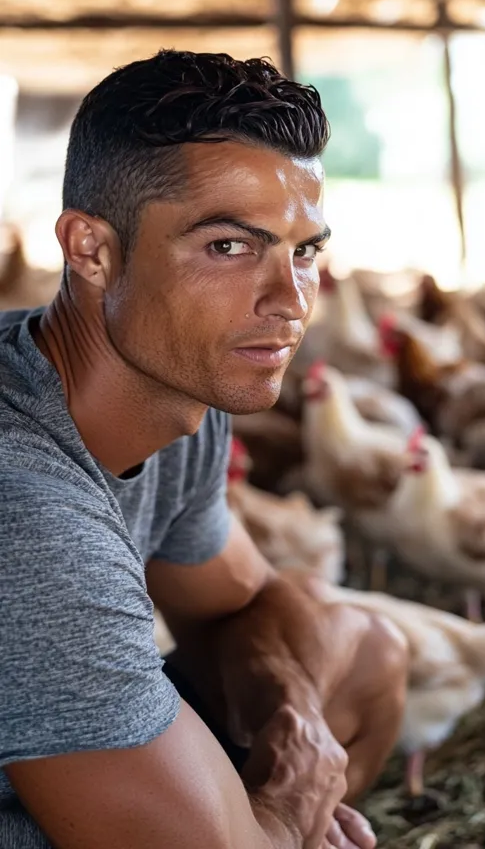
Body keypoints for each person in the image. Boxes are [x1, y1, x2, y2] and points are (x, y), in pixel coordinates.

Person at [0, 50, 407, 849]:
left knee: (368, 654)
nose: (289, 303)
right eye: (228, 246)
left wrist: (294, 718)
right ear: (90, 250)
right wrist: (291, 807)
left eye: (304, 251)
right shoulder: (29, 513)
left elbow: (249, 602)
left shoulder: (179, 392)